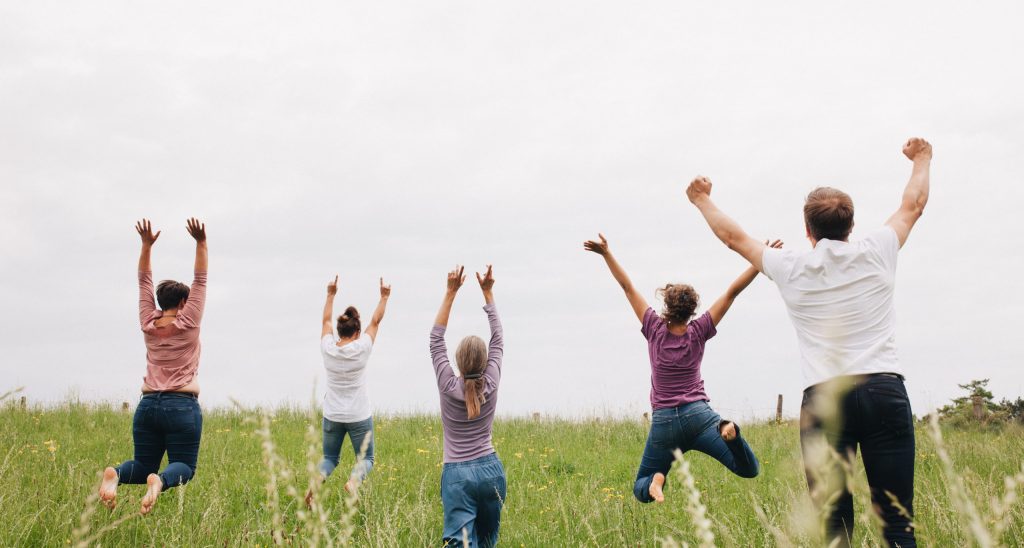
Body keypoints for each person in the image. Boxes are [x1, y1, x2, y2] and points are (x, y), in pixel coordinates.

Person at [685, 137, 932, 547]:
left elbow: (734, 238)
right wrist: (922, 159)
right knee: (896, 522)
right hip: (884, 391)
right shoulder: (879, 249)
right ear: (851, 226)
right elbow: (913, 205)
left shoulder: (791, 266)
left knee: (835, 525)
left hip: (824, 400)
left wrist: (701, 200)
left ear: (808, 230)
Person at [584, 233, 777, 504]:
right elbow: (732, 292)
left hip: (664, 422)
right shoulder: (699, 331)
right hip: (699, 417)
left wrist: (606, 254)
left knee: (641, 489)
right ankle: (732, 436)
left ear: (667, 306)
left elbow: (627, 287)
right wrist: (759, 260)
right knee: (748, 469)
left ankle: (657, 478)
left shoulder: (653, 327)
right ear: (692, 310)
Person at [98, 218, 208, 515]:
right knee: (184, 465)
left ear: (160, 302)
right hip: (181, 405)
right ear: (185, 302)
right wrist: (201, 243)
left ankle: (116, 474)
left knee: (141, 464)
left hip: (147, 406)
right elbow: (201, 279)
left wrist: (145, 246)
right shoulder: (188, 322)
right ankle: (159, 482)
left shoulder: (148, 322)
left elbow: (144, 280)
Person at [430, 265, 506, 548]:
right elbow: (498, 337)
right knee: (487, 543)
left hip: (457, 476)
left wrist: (450, 292)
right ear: (486, 363)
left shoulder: (448, 386)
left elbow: (435, 339)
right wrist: (488, 292)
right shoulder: (492, 381)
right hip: (491, 472)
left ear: (457, 363)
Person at [307, 275, 390, 504]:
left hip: (332, 414)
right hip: (358, 415)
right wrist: (384, 297)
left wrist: (331, 294)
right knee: (367, 458)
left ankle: (315, 487)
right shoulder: (362, 348)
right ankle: (353, 482)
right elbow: (376, 322)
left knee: (330, 458)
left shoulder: (328, 348)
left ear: (340, 331)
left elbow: (325, 322)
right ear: (356, 332)